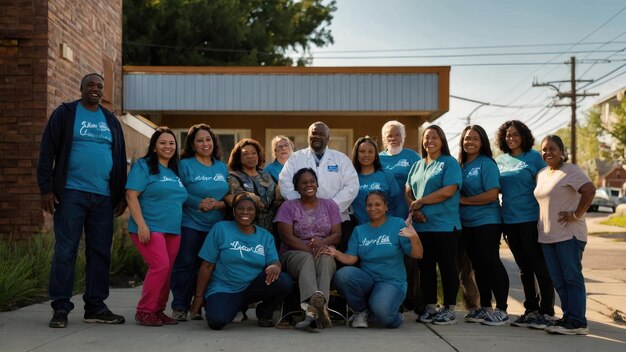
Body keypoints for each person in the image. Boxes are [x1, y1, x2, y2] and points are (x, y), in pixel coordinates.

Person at [37, 73, 127, 328]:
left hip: (103, 197)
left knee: (100, 252)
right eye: (91, 85)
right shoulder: (65, 113)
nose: (96, 89)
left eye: (100, 85)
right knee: (66, 251)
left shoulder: (110, 120)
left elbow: (119, 159)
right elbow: (47, 152)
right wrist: (46, 188)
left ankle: (96, 307)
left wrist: (119, 194)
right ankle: (61, 308)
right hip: (71, 194)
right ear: (81, 88)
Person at [189, 192, 292, 330]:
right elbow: (207, 265)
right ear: (233, 211)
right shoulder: (221, 229)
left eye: (250, 209)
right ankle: (230, 306)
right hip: (224, 287)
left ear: (256, 213)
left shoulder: (265, 236)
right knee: (216, 321)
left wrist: (275, 266)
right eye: (240, 208)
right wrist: (198, 296)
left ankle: (264, 312)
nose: (245, 212)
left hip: (252, 287)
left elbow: (274, 260)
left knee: (284, 281)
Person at [326, 191, 423, 329]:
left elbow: (418, 255)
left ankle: (395, 315)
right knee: (343, 275)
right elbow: (351, 258)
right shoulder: (359, 230)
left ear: (386, 207)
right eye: (369, 205)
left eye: (377, 204)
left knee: (383, 315)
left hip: (392, 281)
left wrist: (414, 237)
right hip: (369, 280)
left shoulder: (398, 224)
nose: (373, 208)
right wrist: (336, 253)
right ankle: (363, 310)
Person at [496, 120, 555, 329]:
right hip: (509, 220)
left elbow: (549, 183)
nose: (511, 138)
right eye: (508, 135)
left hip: (531, 219)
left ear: (524, 137)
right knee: (523, 267)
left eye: (516, 135)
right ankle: (531, 309)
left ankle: (546, 311)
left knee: (539, 264)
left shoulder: (534, 158)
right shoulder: (500, 161)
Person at [126, 127, 188, 326]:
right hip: (150, 228)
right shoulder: (143, 166)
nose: (168, 147)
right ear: (154, 146)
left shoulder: (174, 170)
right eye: (162, 143)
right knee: (160, 266)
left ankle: (158, 310)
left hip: (173, 230)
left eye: (171, 143)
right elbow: (131, 195)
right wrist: (142, 225)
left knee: (167, 270)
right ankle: (144, 311)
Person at [535, 135, 594, 335]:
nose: (547, 152)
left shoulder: (571, 171)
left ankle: (578, 321)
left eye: (552, 148)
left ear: (562, 151)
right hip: (547, 236)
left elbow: (589, 190)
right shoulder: (542, 174)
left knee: (571, 277)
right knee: (558, 280)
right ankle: (569, 318)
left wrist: (576, 215)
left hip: (569, 235)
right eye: (544, 149)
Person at [170, 124, 229, 322]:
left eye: (208, 139)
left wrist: (218, 204)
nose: (205, 144)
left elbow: (229, 195)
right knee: (185, 264)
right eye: (200, 140)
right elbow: (178, 191)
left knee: (210, 265)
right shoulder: (184, 165)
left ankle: (202, 305)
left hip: (216, 226)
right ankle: (179, 305)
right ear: (192, 145)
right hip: (191, 223)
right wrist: (198, 203)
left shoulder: (221, 166)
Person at [406, 125, 462, 325]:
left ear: (442, 140)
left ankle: (449, 308)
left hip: (445, 225)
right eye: (426, 137)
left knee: (447, 266)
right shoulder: (417, 165)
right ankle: (430, 307)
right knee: (426, 267)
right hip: (422, 226)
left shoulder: (449, 163)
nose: (429, 140)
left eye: (434, 137)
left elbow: (449, 190)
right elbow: (407, 191)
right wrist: (416, 210)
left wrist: (422, 202)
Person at [274, 168, 342, 331]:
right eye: (303, 182)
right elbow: (287, 238)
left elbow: (337, 234)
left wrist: (323, 243)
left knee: (325, 257)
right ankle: (316, 311)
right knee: (307, 258)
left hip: (323, 251)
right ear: (296, 187)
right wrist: (311, 250)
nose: (309, 185)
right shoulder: (288, 207)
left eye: (312, 181)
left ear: (317, 184)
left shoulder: (329, 205)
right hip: (293, 254)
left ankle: (314, 312)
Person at [457, 125, 510, 326]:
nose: (470, 142)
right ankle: (485, 307)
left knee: (491, 262)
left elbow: (492, 194)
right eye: (467, 138)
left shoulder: (486, 163)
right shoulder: (461, 165)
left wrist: (465, 201)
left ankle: (502, 309)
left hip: (487, 221)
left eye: (475, 139)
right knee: (478, 266)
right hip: (467, 223)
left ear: (482, 142)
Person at [279, 122, 359, 247]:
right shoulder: (295, 158)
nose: (317, 137)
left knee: (334, 257)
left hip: (336, 220)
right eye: (314, 133)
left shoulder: (341, 159)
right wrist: (302, 207)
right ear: (308, 136)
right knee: (306, 254)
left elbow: (352, 185)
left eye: (321, 134)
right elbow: (285, 183)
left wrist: (332, 207)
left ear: (328, 138)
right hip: (301, 221)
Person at [378, 120, 427, 314]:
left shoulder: (412, 157)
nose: (393, 138)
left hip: (407, 216)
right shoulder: (379, 158)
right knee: (389, 258)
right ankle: (393, 300)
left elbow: (421, 184)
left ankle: (411, 301)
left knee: (410, 261)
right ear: (384, 138)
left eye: (397, 134)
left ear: (403, 137)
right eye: (389, 135)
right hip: (384, 218)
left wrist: (417, 208)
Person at [225, 138, 281, 234]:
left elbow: (277, 196)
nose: (250, 156)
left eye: (253, 153)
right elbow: (230, 199)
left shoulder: (266, 175)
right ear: (239, 158)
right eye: (245, 154)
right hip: (246, 227)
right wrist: (251, 196)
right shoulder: (233, 177)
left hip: (271, 228)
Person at [351, 136, 400, 225]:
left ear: (376, 155)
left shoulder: (386, 175)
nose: (366, 155)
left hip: (384, 228)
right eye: (362, 151)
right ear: (356, 154)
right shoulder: (350, 177)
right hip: (358, 229)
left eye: (370, 151)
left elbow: (396, 203)